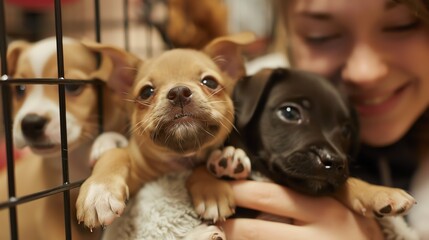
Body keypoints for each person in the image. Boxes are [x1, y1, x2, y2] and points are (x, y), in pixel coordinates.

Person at [219, 0, 429, 239]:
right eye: (321, 36)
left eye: (402, 25)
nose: (365, 72)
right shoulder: (236, 105)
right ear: (285, 35)